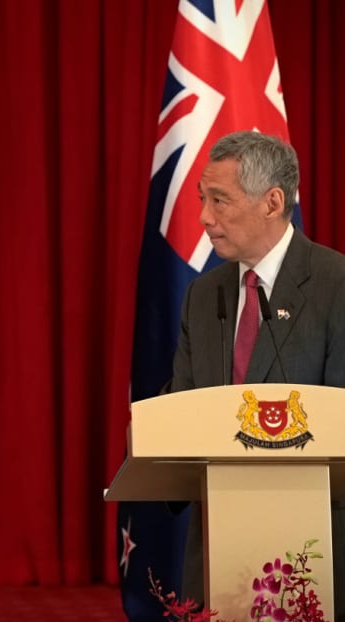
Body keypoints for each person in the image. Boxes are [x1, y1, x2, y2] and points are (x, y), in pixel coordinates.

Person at [167, 131, 345, 619]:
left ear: (272, 202)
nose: (204, 216)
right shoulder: (203, 297)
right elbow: (179, 406)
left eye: (219, 200)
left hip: (316, 556)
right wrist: (146, 433)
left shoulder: (336, 285)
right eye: (203, 199)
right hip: (217, 554)